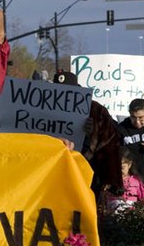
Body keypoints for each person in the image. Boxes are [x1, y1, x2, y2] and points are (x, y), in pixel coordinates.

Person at [52, 70, 123, 198]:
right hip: (51, 172)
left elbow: (110, 145)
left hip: (86, 172)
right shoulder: (45, 108)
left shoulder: (96, 111)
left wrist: (92, 134)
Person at [105, 147, 144, 212]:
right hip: (112, 217)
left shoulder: (136, 181)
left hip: (131, 217)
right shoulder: (109, 182)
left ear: (129, 165)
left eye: (122, 168)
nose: (119, 171)